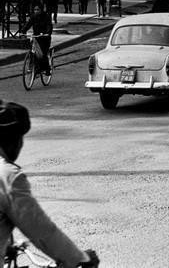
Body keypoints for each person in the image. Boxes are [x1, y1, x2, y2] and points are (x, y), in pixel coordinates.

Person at [0, 101, 99, 268]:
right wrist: (79, 259)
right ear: (11, 140)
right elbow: (41, 230)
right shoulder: (7, 177)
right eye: (20, 138)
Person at [20, 4, 52, 76]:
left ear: (41, 10)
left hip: (44, 38)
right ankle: (33, 66)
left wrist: (47, 33)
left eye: (38, 10)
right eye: (35, 10)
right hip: (36, 37)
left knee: (43, 54)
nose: (36, 11)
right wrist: (23, 31)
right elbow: (28, 24)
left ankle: (47, 69)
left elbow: (49, 25)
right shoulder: (33, 17)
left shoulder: (46, 17)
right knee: (33, 51)